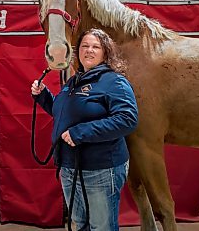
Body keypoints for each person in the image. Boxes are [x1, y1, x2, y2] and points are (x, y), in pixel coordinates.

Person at [31, 28, 138, 231]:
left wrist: (80, 133)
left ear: (106, 52)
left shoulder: (115, 82)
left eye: (95, 47)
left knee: (101, 227)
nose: (89, 50)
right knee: (80, 224)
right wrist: (43, 97)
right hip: (69, 167)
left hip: (100, 170)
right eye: (84, 46)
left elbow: (127, 119)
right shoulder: (74, 81)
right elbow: (65, 115)